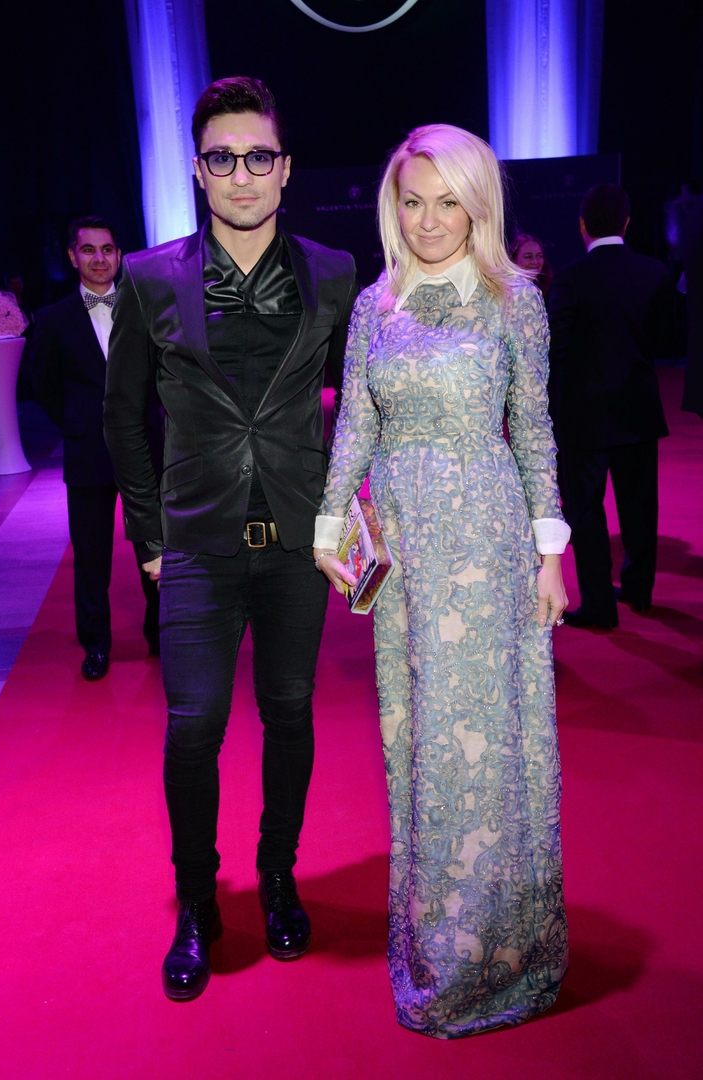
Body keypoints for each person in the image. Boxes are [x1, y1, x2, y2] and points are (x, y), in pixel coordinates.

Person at [103, 77, 357, 1001]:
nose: (241, 174)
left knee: (289, 713)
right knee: (194, 726)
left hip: (294, 543)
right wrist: (149, 537)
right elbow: (122, 418)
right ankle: (197, 900)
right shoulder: (148, 278)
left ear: (285, 169)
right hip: (197, 545)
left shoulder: (334, 272)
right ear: (198, 170)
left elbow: (361, 403)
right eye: (223, 157)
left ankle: (279, 877)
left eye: (258, 156)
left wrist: (346, 515)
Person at [314, 124, 570, 1038]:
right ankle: (435, 939)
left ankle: (501, 949)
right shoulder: (374, 304)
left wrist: (550, 553)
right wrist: (328, 525)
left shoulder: (513, 300)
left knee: (489, 743)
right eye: (413, 201)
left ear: (478, 205)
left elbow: (532, 428)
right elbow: (356, 424)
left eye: (448, 202)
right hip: (406, 553)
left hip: (486, 542)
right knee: (419, 740)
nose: (428, 221)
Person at [31, 216, 161, 680]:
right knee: (91, 556)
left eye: (107, 249)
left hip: (146, 449)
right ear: (73, 257)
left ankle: (161, 638)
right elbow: (42, 385)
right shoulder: (54, 319)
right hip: (88, 453)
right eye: (89, 250)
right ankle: (96, 646)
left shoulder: (144, 307)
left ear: (119, 255)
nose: (99, 258)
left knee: (157, 548)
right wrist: (76, 424)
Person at [548, 184, 675, 628]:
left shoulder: (570, 277)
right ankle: (638, 588)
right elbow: (662, 339)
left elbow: (556, 348)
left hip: (583, 414)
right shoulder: (654, 272)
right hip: (638, 407)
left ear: (582, 225)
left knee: (585, 509)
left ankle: (599, 605)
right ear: (627, 222)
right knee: (640, 504)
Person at [509, 232, 553, 300]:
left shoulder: (552, 290)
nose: (535, 262)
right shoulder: (505, 289)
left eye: (539, 256)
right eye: (528, 257)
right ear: (514, 259)